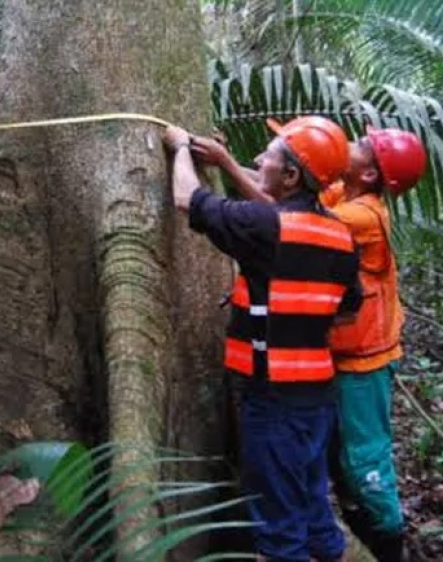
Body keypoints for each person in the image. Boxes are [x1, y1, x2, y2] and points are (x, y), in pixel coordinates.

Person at [163, 117, 362, 562]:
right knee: (312, 504)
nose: (258, 160)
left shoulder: (264, 226)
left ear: (290, 176)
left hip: (272, 397)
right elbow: (348, 305)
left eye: (268, 156)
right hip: (317, 397)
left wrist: (178, 148)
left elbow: (186, 199)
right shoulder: (340, 236)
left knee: (278, 525)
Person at [321, 127, 426, 562]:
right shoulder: (341, 191)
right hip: (341, 356)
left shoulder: (363, 216)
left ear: (369, 173)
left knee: (365, 458)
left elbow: (286, 216)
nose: (348, 145)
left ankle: (389, 543)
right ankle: (361, 524)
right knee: (338, 452)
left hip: (364, 364)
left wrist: (229, 167)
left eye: (360, 147)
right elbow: (289, 187)